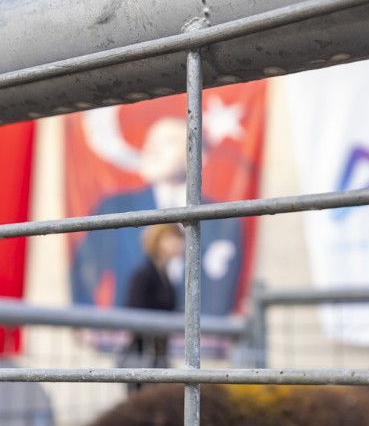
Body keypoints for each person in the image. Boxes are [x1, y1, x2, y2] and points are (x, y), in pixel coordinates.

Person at [69, 116, 246, 317]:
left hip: (196, 338)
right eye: (150, 142)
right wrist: (88, 321)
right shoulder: (116, 207)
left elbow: (222, 286)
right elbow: (86, 266)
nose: (153, 149)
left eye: (168, 141)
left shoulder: (222, 219)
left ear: (199, 156)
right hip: (135, 332)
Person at [120, 223, 184, 389]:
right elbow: (133, 312)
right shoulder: (143, 275)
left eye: (179, 239)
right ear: (157, 241)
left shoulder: (167, 277)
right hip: (142, 356)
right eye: (172, 238)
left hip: (159, 356)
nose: (179, 243)